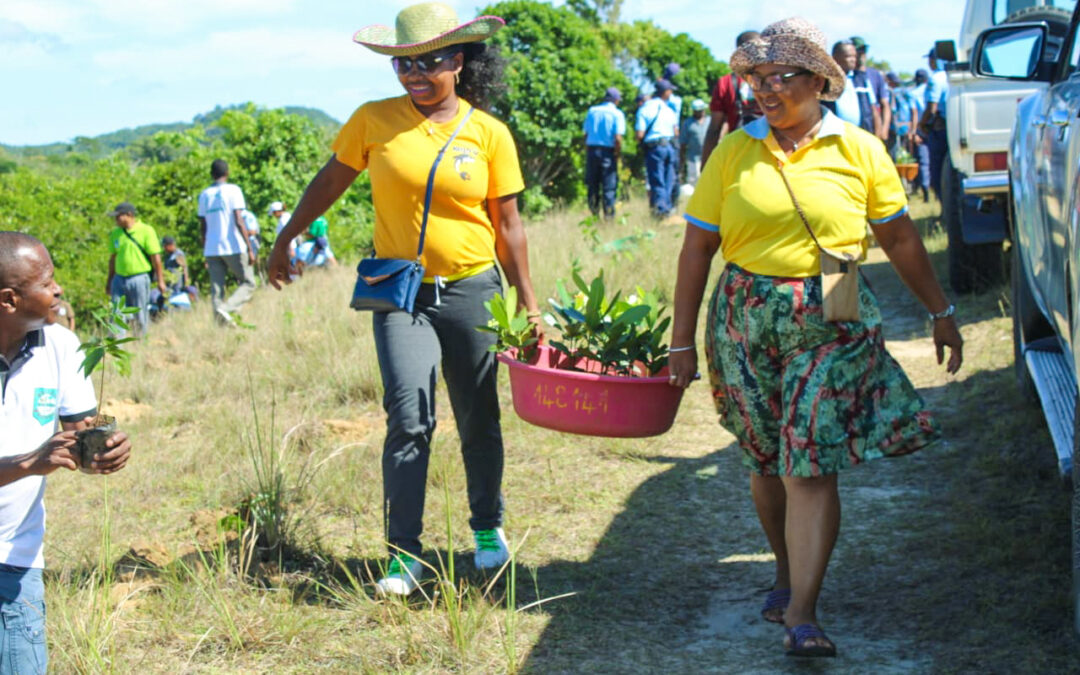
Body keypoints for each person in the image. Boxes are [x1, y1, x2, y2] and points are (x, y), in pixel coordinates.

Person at [669, 18, 963, 658]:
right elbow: (697, 249)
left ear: (820, 81)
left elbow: (900, 238)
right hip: (745, 311)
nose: (765, 90)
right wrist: (681, 340)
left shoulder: (859, 149)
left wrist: (939, 310)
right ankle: (784, 568)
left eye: (781, 77)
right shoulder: (734, 151)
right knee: (767, 456)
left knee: (810, 458)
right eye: (756, 78)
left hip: (832, 306)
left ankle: (804, 611)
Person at [266, 1, 542, 597]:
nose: (415, 76)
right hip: (401, 293)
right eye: (403, 67)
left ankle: (487, 528)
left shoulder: (489, 133)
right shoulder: (373, 120)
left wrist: (529, 302)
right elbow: (330, 181)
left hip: (472, 288)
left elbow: (510, 225)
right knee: (409, 416)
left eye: (429, 63)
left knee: (478, 416)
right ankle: (403, 554)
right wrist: (287, 236)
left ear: (459, 62)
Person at [0, 231, 132, 673]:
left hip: (16, 559)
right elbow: (34, 460)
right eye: (45, 282)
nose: (58, 290)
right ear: (9, 300)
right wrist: (29, 462)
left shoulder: (61, 346)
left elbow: (78, 436)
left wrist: (104, 449)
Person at [198, 159, 256, 327]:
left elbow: (203, 225)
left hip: (212, 248)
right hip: (233, 245)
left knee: (217, 290)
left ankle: (220, 325)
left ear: (212, 174)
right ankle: (228, 309)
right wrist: (249, 247)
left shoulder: (205, 194)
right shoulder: (234, 190)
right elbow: (239, 219)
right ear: (227, 173)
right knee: (249, 282)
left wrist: (205, 249)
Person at [105, 201, 167, 336]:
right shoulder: (116, 233)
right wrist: (109, 280)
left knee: (140, 311)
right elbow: (113, 259)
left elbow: (156, 257)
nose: (116, 220)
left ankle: (140, 340)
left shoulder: (146, 230)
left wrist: (160, 280)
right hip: (119, 277)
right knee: (117, 312)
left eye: (118, 216)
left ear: (129, 215)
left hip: (139, 277)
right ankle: (116, 343)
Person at [702, 30, 762, 165]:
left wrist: (706, 166)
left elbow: (714, 129)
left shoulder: (726, 83)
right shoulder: (775, 80)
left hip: (740, 153)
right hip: (774, 151)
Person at [635, 78, 680, 218]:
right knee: (668, 180)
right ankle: (666, 208)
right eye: (670, 90)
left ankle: (661, 211)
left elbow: (639, 134)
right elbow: (676, 131)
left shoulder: (645, 108)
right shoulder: (669, 109)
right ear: (665, 92)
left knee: (657, 180)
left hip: (654, 148)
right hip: (670, 147)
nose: (671, 93)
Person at [582, 86, 626, 219]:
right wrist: (617, 154)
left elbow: (586, 134)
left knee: (593, 185)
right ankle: (608, 216)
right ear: (616, 100)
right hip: (608, 152)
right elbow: (618, 138)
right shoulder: (617, 114)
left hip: (592, 151)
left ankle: (594, 214)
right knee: (609, 186)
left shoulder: (592, 111)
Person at [825, 40, 879, 135]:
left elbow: (873, 109)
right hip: (834, 135)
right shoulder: (825, 81)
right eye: (848, 56)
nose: (853, 59)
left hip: (862, 134)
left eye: (854, 56)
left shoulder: (861, 80)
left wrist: (878, 134)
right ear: (835, 58)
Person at [921, 49, 950, 202]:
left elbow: (932, 108)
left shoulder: (936, 79)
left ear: (934, 60)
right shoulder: (953, 76)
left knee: (938, 172)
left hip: (939, 131)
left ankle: (943, 207)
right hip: (953, 129)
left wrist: (921, 124)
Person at [851, 37, 890, 142]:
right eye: (858, 51)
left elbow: (884, 104)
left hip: (872, 129)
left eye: (864, 51)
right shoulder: (847, 76)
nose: (862, 54)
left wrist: (884, 129)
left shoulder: (875, 75)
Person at [910, 69, 931, 202]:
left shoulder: (913, 94)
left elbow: (915, 115)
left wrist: (914, 132)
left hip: (922, 131)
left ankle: (926, 192)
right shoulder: (930, 89)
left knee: (923, 163)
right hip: (935, 128)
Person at [887, 72, 917, 161]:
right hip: (906, 128)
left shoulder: (891, 93)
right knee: (907, 155)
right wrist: (913, 129)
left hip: (894, 128)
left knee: (895, 155)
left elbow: (891, 110)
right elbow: (914, 111)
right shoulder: (906, 92)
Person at [681, 99, 710, 186]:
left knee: (707, 179)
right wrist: (682, 158)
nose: (702, 112)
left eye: (703, 109)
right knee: (693, 180)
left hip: (709, 155)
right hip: (693, 157)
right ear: (694, 111)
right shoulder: (688, 123)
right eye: (699, 110)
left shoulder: (710, 120)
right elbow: (683, 142)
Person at [161, 236, 198, 300]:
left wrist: (186, 280)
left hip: (178, 282)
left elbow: (184, 267)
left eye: (165, 246)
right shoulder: (168, 255)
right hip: (170, 281)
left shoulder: (178, 254)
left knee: (177, 296)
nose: (164, 249)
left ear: (170, 245)